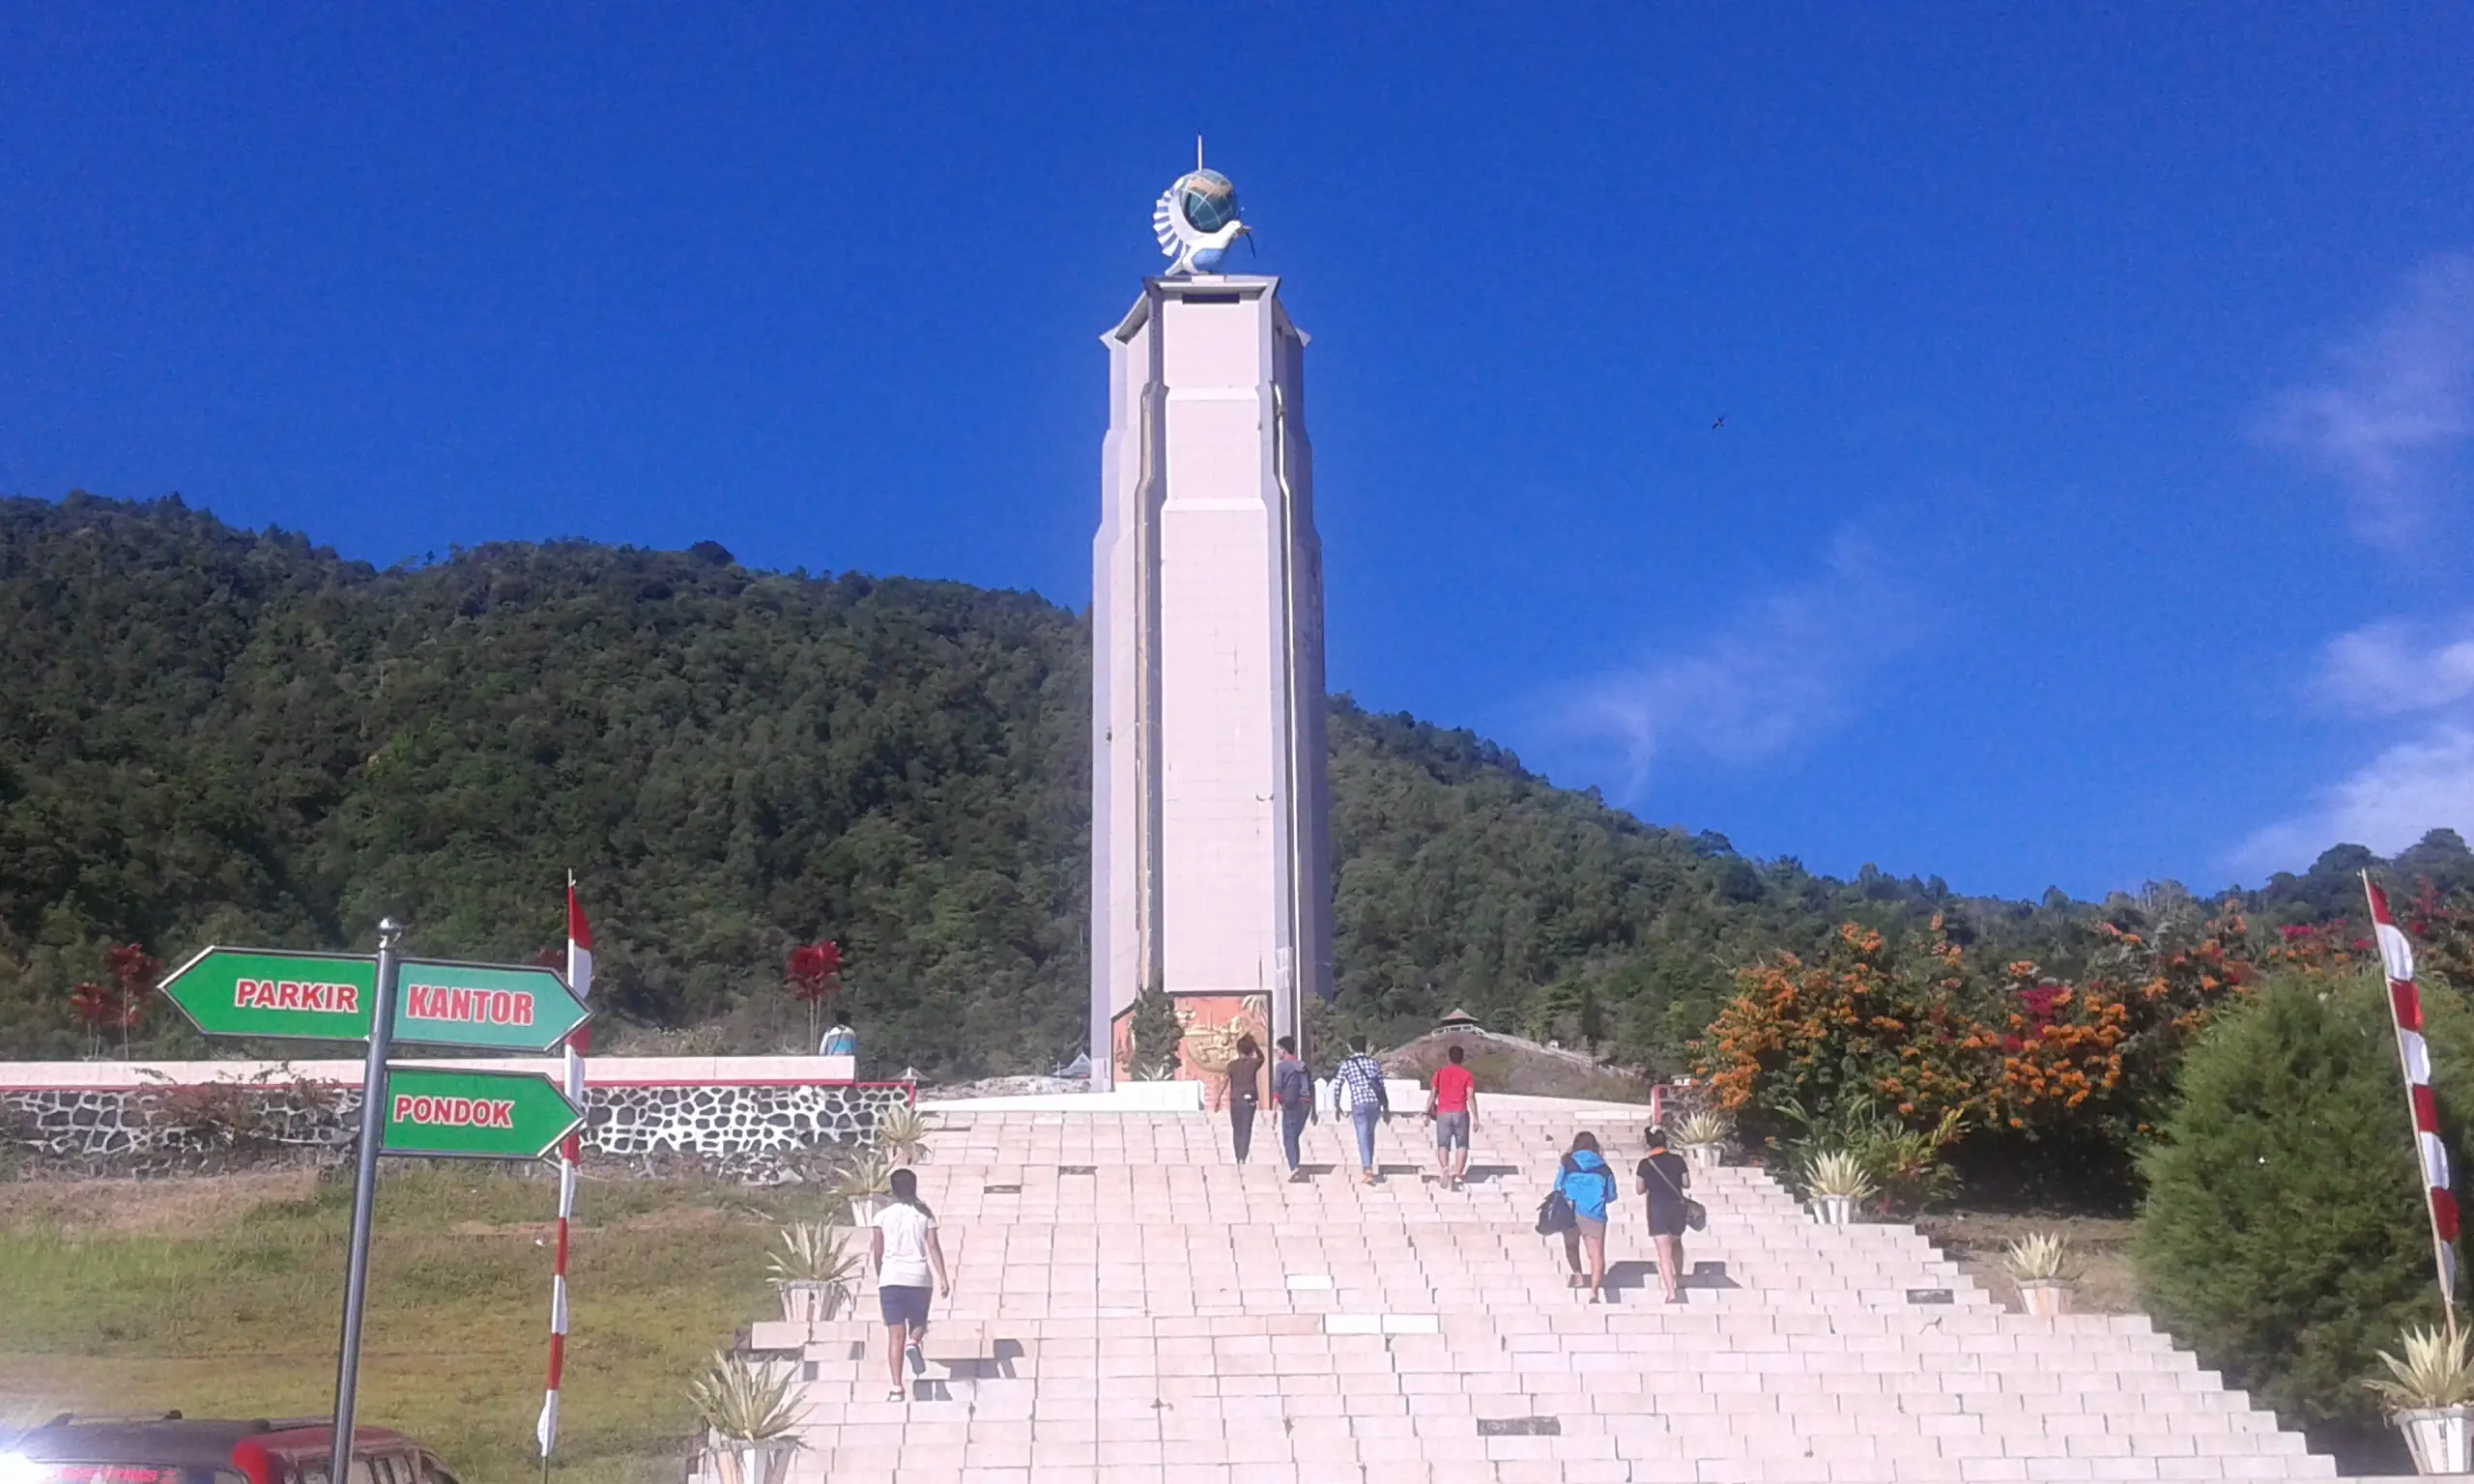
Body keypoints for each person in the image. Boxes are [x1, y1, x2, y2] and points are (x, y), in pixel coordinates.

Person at [867, 1167, 950, 1401]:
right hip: (919, 1277)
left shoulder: (881, 1217)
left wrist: (881, 1272)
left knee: (895, 1334)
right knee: (920, 1322)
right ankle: (914, 1341)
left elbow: (878, 1250)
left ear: (892, 1189)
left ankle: (896, 1388)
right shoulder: (924, 1214)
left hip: (891, 1278)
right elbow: (933, 1246)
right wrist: (943, 1277)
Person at [1555, 1131, 1617, 1303]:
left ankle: (1578, 1275)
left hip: (1570, 1212)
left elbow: (1557, 1187)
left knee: (1571, 1246)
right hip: (1594, 1214)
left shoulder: (1567, 1163)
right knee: (1596, 1255)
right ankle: (1594, 1292)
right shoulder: (1604, 1169)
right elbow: (1611, 1196)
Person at [1636, 1126, 1692, 1304]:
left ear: (1648, 1143)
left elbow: (1639, 1189)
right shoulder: (1678, 1160)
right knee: (1676, 1242)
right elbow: (1686, 1183)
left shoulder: (1645, 1164)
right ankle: (1680, 1275)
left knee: (1663, 1253)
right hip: (1677, 1208)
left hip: (1657, 1210)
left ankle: (1671, 1293)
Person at [1335, 1037, 1391, 1184]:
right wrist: (1386, 1107)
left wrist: (1337, 1104)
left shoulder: (1347, 1065)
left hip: (1359, 1103)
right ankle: (1369, 1165)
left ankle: (1367, 1169)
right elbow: (1381, 1086)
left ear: (1351, 1048)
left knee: (1362, 1135)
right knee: (1370, 1135)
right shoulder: (1373, 1064)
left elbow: (1338, 1084)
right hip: (1374, 1103)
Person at [1426, 1043, 1477, 1190]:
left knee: (1443, 1144)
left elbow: (1433, 1093)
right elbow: (1470, 1097)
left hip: (1443, 1112)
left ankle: (1445, 1168)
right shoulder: (1467, 1075)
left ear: (1448, 1058)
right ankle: (1459, 1173)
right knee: (1462, 1145)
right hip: (1460, 1111)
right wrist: (1476, 1117)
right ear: (1462, 1059)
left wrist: (1426, 1111)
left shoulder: (1440, 1073)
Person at [1272, 1036, 1317, 1181]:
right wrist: (1314, 1110)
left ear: (1283, 1051)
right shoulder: (1303, 1066)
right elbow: (1312, 1086)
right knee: (1294, 1136)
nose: (1276, 1052)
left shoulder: (1281, 1067)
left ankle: (1294, 1168)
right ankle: (1295, 1164)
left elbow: (1278, 1088)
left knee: (1289, 1137)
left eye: (1277, 1049)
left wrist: (1274, 1110)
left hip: (1291, 1104)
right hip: (1305, 1104)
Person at [1223, 1035, 1264, 1164]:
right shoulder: (1253, 1063)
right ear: (1251, 1050)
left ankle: (1237, 1156)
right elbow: (1261, 1058)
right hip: (1249, 1100)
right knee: (1246, 1128)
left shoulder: (1232, 1065)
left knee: (1237, 1129)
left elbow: (1224, 1081)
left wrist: (1218, 1098)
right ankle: (1243, 1156)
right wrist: (1256, 1046)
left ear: (1238, 1050)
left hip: (1235, 1100)